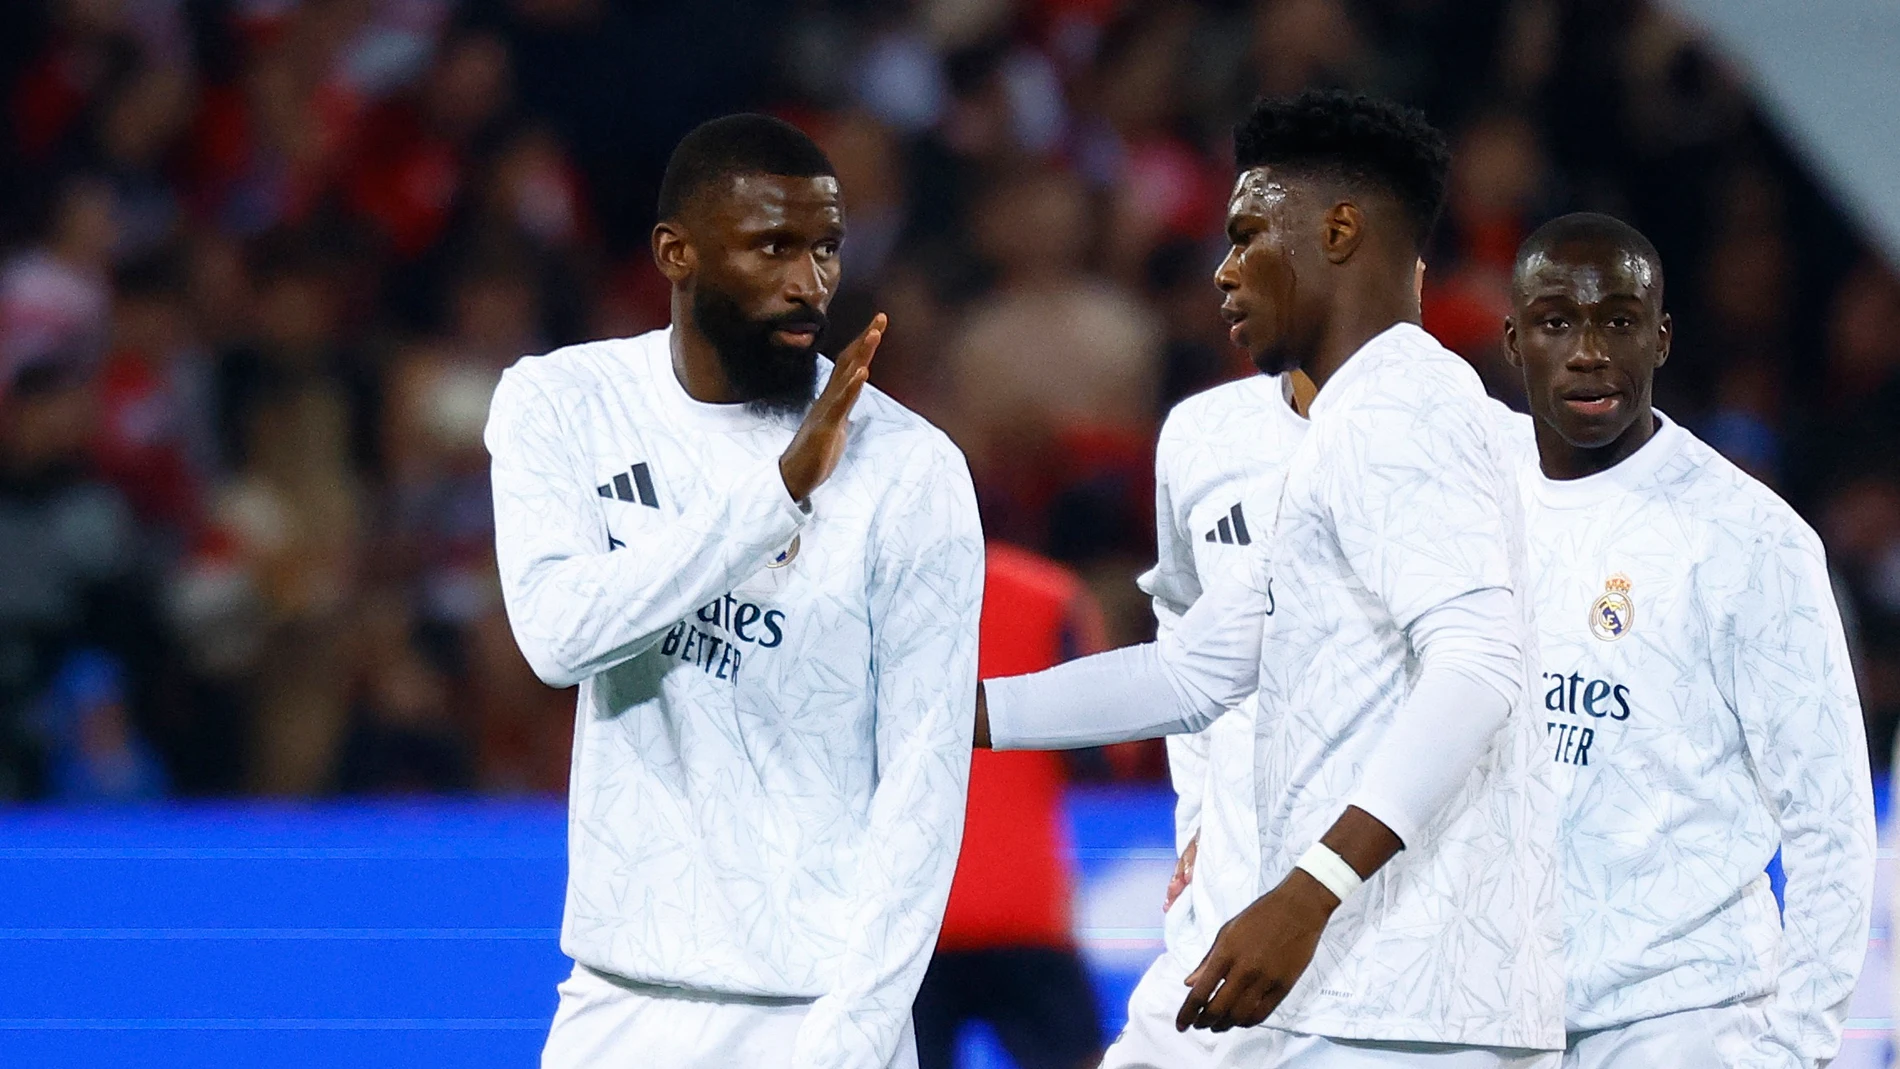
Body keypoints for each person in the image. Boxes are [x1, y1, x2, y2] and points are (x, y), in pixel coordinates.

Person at [977, 89, 1564, 1065]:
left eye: (1248, 234)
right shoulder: (1253, 433)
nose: (1221, 269)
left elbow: (1477, 667)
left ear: (1339, 231)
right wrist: (960, 709)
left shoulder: (1421, 417)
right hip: (1251, 956)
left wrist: (1309, 887)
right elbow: (1194, 669)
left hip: (1394, 994)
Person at [485, 113, 984, 1069]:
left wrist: (856, 1037)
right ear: (677, 252)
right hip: (617, 1004)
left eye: (827, 248)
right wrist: (778, 494)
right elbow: (557, 636)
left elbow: (924, 784)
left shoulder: (914, 470)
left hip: (817, 1010)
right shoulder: (563, 403)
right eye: (773, 248)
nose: (810, 282)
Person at [1500, 213, 1874, 1068]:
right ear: (1514, 339)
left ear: (1661, 339)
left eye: (1620, 320)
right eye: (1558, 322)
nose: (1590, 350)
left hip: (1685, 1020)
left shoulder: (1750, 539)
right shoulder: (1472, 513)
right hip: (1499, 1020)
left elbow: (1832, 823)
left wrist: (1796, 1049)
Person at [913, 542, 1108, 1069]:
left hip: (912, 911)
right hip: (1025, 905)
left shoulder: (882, 591)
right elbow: (1097, 754)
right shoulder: (1049, 594)